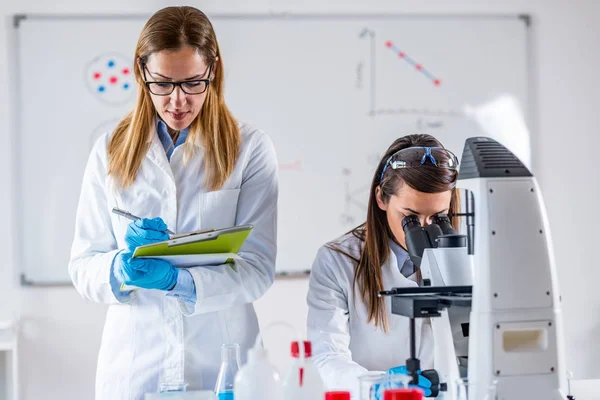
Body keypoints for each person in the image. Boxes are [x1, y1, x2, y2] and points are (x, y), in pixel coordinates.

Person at [68, 6, 278, 399]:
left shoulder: (249, 149)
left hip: (220, 361)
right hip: (136, 364)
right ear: (140, 72)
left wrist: (181, 282)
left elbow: (258, 268)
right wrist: (119, 268)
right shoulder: (109, 150)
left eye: (193, 82)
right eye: (162, 84)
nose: (178, 101)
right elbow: (82, 264)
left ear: (213, 70)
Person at [306, 134, 460, 398]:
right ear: (381, 198)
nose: (424, 229)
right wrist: (378, 386)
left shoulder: (465, 257)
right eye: (410, 217)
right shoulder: (338, 260)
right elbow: (327, 356)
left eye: (438, 217)